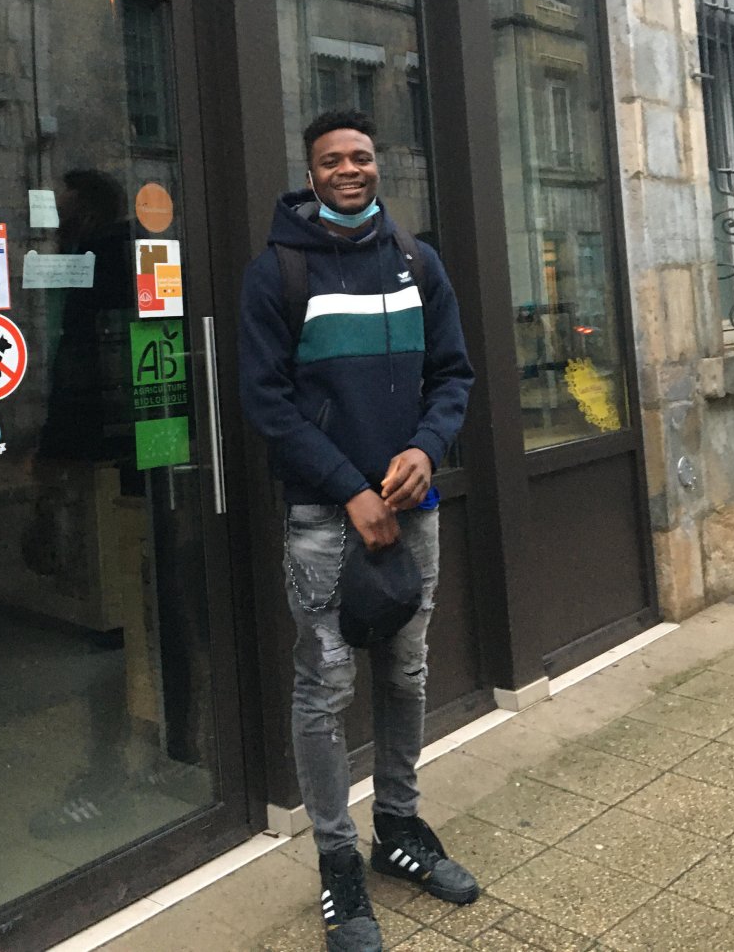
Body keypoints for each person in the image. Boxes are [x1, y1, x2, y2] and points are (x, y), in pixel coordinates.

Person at [239, 110, 478, 952]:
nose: (351, 169)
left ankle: (401, 830)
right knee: (328, 687)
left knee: (407, 673)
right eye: (333, 159)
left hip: (414, 510)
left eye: (363, 156)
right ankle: (339, 863)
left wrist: (426, 444)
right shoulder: (279, 273)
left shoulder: (419, 262)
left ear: (379, 164)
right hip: (322, 519)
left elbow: (453, 373)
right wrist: (348, 488)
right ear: (311, 174)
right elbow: (265, 401)